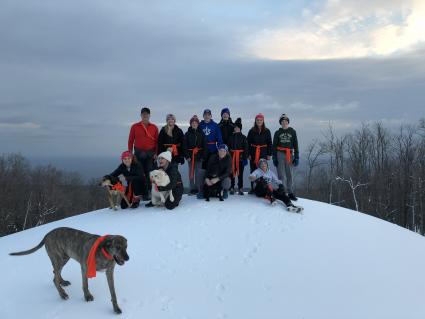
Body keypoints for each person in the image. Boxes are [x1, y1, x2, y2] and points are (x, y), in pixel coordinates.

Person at [128, 107, 158, 200]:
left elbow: (157, 141)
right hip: (138, 153)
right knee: (140, 173)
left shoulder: (154, 127)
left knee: (150, 173)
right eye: (143, 114)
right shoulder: (134, 126)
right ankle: (141, 193)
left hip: (150, 154)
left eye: (147, 114)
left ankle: (150, 192)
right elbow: (130, 140)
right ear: (141, 115)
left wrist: (156, 153)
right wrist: (130, 153)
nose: (145, 115)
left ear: (149, 115)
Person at [272, 114, 299, 201]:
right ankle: (283, 192)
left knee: (289, 174)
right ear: (280, 123)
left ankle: (290, 192)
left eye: (286, 121)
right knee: (281, 175)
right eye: (282, 121)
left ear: (288, 122)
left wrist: (297, 156)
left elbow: (296, 145)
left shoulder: (292, 132)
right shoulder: (277, 133)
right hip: (280, 153)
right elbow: (274, 146)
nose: (284, 123)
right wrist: (274, 158)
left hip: (289, 154)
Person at [247, 113, 272, 193]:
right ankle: (253, 188)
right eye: (257, 120)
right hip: (253, 152)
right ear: (255, 121)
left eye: (261, 120)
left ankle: (262, 187)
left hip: (263, 152)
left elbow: (269, 143)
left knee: (263, 170)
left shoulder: (267, 131)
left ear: (263, 121)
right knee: (253, 170)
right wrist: (249, 154)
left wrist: (269, 154)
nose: (259, 121)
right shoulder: (251, 131)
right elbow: (247, 143)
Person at [183, 115, 207, 195]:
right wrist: (187, 156)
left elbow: (205, 145)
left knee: (198, 173)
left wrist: (203, 156)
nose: (194, 124)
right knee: (191, 173)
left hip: (199, 156)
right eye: (192, 122)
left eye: (195, 122)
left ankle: (198, 188)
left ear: (198, 124)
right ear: (190, 124)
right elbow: (184, 146)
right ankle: (192, 188)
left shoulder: (201, 133)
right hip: (190, 156)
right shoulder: (187, 134)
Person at [228, 117, 249, 195]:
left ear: (240, 128)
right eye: (235, 127)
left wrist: (245, 158)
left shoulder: (243, 137)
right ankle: (232, 187)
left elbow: (246, 148)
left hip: (240, 158)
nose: (236, 129)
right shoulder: (231, 137)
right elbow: (229, 148)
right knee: (232, 173)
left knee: (240, 174)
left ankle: (240, 188)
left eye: (238, 127)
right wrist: (229, 157)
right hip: (232, 158)